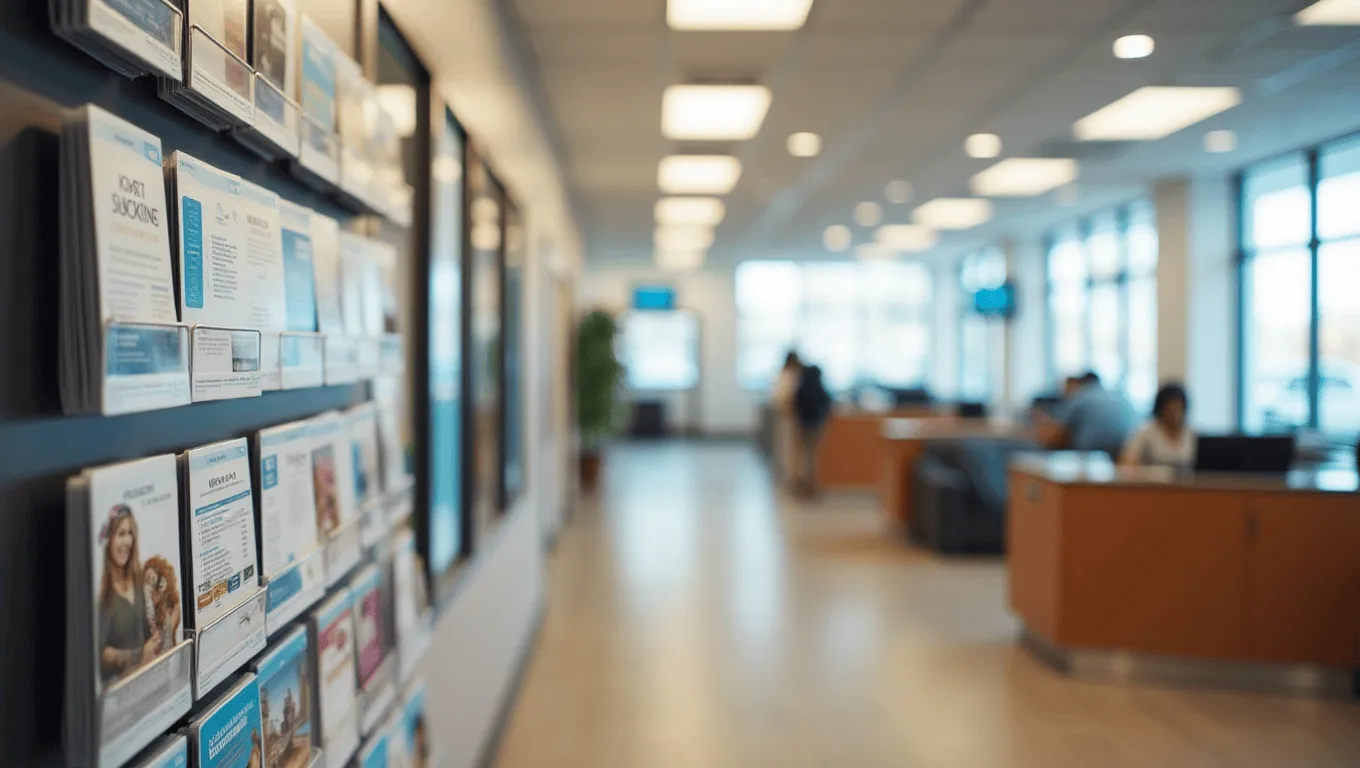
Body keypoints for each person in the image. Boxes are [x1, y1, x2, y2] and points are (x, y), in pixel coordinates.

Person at [98, 504, 162, 688]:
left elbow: (144, 630)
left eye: (130, 533)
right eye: (121, 534)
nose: (127, 541)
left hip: (148, 681)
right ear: (109, 539)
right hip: (121, 691)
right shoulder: (104, 598)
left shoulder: (138, 582)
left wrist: (156, 637)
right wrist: (139, 655)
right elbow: (100, 654)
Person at [1037, 372, 1138, 458]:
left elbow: (1055, 434)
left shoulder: (1080, 395)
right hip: (1125, 454)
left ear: (1078, 384)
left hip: (1093, 455)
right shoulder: (1118, 395)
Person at [1120, 384, 1196, 468]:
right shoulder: (1147, 430)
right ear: (1161, 408)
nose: (1174, 413)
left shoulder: (1190, 432)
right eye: (1170, 408)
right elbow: (1128, 457)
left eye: (1178, 407)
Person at [792, 364, 833, 496]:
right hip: (815, 426)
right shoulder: (820, 389)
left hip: (802, 426)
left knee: (802, 457)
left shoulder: (801, 388)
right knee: (812, 458)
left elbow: (795, 406)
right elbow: (827, 404)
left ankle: (801, 485)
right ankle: (811, 486)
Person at [769, 351, 802, 486]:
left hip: (785, 416)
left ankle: (790, 476)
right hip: (789, 416)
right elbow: (783, 398)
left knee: (787, 448)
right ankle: (791, 477)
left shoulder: (782, 375)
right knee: (789, 449)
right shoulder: (790, 376)